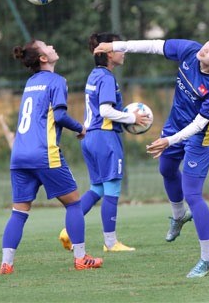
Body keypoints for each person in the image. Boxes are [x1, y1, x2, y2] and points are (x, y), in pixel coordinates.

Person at [93, 37, 209, 278]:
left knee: (192, 193)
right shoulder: (191, 50)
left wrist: (169, 141)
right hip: (175, 124)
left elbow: (199, 124)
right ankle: (179, 216)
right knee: (166, 169)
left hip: (200, 135)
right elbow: (153, 45)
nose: (207, 47)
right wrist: (115, 46)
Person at [0, 39, 103, 275]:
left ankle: (6, 263)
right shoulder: (56, 81)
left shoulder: (31, 83)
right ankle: (80, 258)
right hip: (43, 153)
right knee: (74, 203)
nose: (52, 47)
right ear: (43, 58)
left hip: (19, 156)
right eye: (47, 46)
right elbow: (59, 116)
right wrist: (81, 128)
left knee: (19, 212)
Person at [58, 32, 150, 253]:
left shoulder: (94, 75)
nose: (123, 51)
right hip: (105, 137)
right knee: (112, 188)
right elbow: (106, 110)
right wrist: (132, 118)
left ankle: (68, 231)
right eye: (120, 47)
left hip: (89, 137)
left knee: (97, 188)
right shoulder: (107, 78)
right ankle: (111, 242)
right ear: (108, 53)